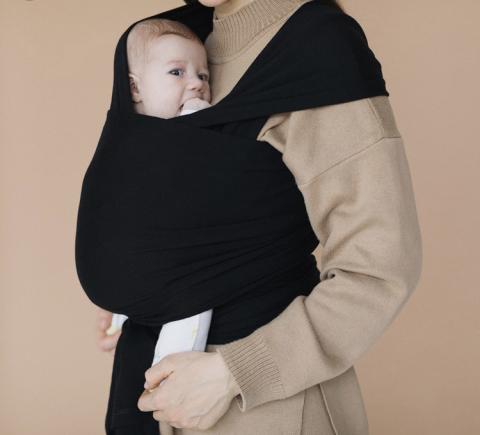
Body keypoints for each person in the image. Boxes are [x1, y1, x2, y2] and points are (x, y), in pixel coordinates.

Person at [95, 0, 423, 433]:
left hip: (261, 405)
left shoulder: (312, 46)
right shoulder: (179, 38)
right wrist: (143, 282)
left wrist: (235, 373)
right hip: (153, 385)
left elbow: (380, 267)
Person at [105, 17, 215, 369]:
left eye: (203, 75)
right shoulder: (128, 136)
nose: (196, 84)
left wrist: (196, 118)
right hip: (140, 260)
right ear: (135, 89)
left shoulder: (194, 130)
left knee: (192, 308)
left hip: (185, 266)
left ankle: (169, 371)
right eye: (177, 72)